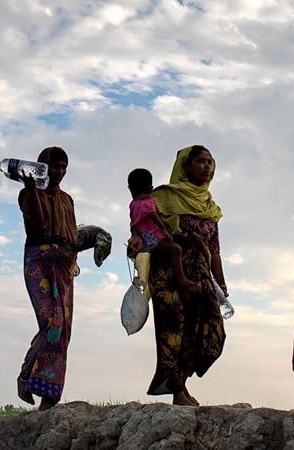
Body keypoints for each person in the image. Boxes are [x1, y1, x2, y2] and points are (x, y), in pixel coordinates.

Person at [148, 145, 226, 406]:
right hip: (170, 275)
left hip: (202, 281)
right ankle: (178, 390)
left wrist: (221, 284)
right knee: (174, 331)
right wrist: (136, 242)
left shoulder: (210, 207)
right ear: (185, 166)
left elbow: (214, 251)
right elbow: (143, 226)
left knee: (210, 332)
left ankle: (181, 381)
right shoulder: (164, 197)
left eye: (210, 162)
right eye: (201, 161)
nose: (207, 167)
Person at [16, 146, 78, 411]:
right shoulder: (27, 194)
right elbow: (38, 226)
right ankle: (27, 374)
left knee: (62, 329)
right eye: (55, 167)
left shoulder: (67, 200)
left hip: (63, 262)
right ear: (42, 167)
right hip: (39, 259)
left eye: (63, 167)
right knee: (51, 323)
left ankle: (49, 396)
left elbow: (73, 235)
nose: (60, 172)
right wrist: (32, 189)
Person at [128, 168, 197, 292]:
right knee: (176, 249)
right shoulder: (148, 202)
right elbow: (155, 217)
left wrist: (134, 235)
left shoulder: (133, 204)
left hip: (143, 239)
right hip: (154, 237)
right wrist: (165, 230)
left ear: (130, 189)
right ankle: (182, 279)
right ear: (151, 188)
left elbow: (133, 223)